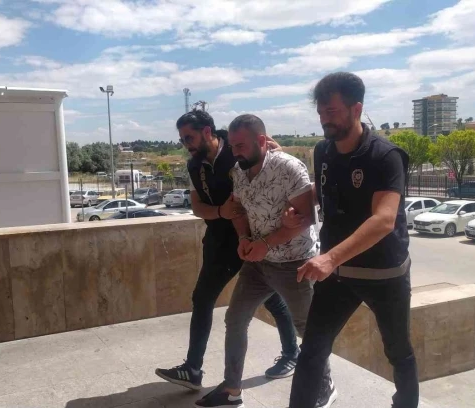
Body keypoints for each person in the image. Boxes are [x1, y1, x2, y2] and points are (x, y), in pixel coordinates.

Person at [287, 72, 418, 408]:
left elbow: (384, 219)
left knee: (398, 351)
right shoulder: (323, 151)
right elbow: (326, 191)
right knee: (312, 350)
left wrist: (330, 257)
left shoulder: (385, 156)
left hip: (383, 273)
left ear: (356, 108)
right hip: (338, 274)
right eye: (320, 112)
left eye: (331, 111)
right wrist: (300, 205)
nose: (324, 119)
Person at [194, 114, 335, 408]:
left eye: (241, 146)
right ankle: (232, 389)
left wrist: (265, 244)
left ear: (261, 140)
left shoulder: (288, 168)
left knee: (308, 329)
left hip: (294, 263)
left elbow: (306, 217)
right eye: (232, 146)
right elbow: (238, 211)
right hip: (257, 264)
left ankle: (325, 386)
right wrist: (244, 238)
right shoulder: (238, 172)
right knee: (235, 319)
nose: (235, 152)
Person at [155, 110, 301, 391]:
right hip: (220, 242)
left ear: (207, 132)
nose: (186, 144)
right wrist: (220, 211)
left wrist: (278, 152)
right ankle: (193, 369)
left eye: (189, 138)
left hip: (254, 238)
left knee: (272, 299)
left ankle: (292, 354)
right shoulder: (194, 166)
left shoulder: (237, 149)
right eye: (182, 139)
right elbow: (198, 207)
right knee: (203, 297)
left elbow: (275, 163)